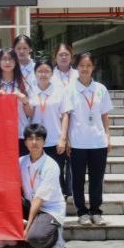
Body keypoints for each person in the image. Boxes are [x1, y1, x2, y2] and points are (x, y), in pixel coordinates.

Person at [0, 124, 67, 248]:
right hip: (30, 204)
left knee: (36, 239)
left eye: (38, 139)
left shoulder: (51, 166)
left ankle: (56, 234)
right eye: (30, 139)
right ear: (25, 142)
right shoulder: (21, 161)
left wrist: (28, 226)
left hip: (48, 209)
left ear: (44, 142)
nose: (34, 142)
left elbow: (38, 199)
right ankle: (9, 236)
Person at [67, 52, 113, 226]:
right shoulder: (70, 89)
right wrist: (67, 139)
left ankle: (96, 211)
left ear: (93, 67)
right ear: (76, 67)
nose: (85, 69)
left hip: (98, 141)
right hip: (77, 142)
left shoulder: (100, 89)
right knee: (78, 180)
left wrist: (108, 136)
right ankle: (82, 212)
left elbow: (104, 115)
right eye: (81, 65)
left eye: (88, 65)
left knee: (97, 179)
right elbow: (66, 116)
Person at [29, 59, 72, 198]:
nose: (43, 74)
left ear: (52, 73)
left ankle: (58, 204)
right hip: (36, 141)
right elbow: (27, 113)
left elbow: (65, 115)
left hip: (54, 141)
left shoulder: (59, 91)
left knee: (56, 174)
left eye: (47, 71)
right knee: (38, 176)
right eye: (40, 71)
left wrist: (63, 139)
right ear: (35, 73)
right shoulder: (30, 90)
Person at [0, 48, 32, 156]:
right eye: (4, 59)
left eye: (11, 59)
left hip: (20, 134)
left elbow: (30, 113)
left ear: (16, 62)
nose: (7, 62)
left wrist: (25, 101)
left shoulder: (24, 84)